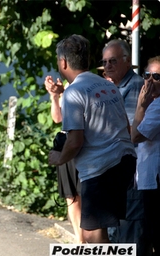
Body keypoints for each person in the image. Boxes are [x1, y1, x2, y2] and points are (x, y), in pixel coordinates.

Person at [48, 34, 136, 244]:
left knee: (92, 235)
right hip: (125, 162)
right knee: (100, 232)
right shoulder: (108, 86)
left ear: (63, 62)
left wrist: (59, 159)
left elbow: (75, 141)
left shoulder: (74, 92)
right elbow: (125, 125)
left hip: (101, 168)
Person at [102, 39, 149, 256]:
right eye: (105, 62)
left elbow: (130, 132)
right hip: (114, 171)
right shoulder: (114, 88)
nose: (108, 66)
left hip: (131, 171)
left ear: (126, 61)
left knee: (129, 235)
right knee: (115, 233)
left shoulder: (135, 87)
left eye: (113, 61)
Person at [45, 76, 83, 243]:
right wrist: (54, 96)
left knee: (84, 195)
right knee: (71, 197)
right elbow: (57, 118)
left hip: (83, 145)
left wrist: (64, 92)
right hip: (66, 144)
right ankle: (80, 240)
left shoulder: (85, 85)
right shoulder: (67, 85)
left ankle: (89, 239)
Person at [131, 55, 160, 256]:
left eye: (157, 76)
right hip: (147, 178)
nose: (150, 81)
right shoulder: (154, 103)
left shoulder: (157, 106)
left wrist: (140, 106)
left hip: (155, 180)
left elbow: (135, 136)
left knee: (152, 236)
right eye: (147, 75)